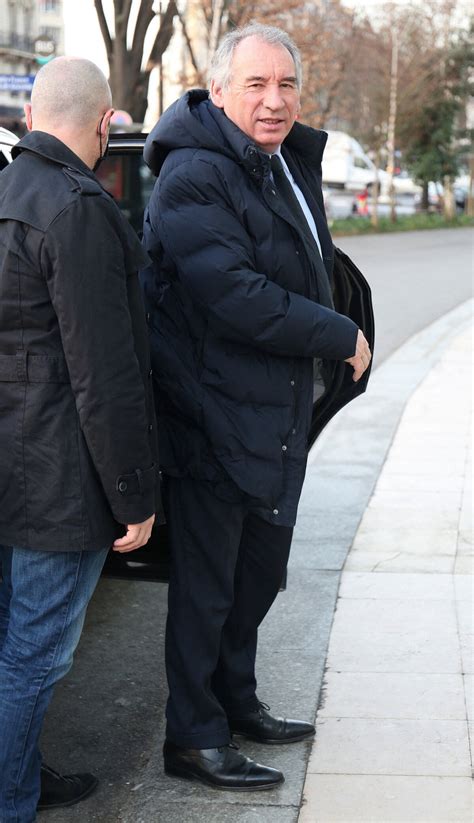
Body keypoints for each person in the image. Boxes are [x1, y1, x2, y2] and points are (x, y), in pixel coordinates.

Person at [141, 23, 371, 791]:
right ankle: (194, 735)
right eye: (256, 85)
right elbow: (239, 297)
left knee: (258, 575)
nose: (275, 102)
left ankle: (236, 700)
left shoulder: (280, 162)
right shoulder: (194, 176)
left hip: (273, 416)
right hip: (212, 416)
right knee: (207, 588)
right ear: (217, 91)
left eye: (286, 86)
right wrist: (342, 334)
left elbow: (310, 264)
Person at [0, 57, 161, 822]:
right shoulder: (79, 209)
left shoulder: (6, 194)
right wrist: (134, 493)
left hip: (11, 467)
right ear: (106, 124)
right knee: (34, 656)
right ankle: (12, 799)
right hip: (61, 482)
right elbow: (107, 374)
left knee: (11, 647)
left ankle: (21, 774)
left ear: (32, 117)